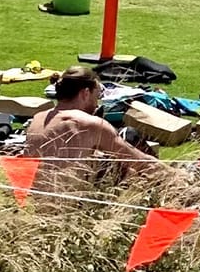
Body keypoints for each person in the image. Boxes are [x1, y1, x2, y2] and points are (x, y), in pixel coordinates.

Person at [16, 66, 160, 192]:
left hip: (35, 203)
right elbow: (140, 161)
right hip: (72, 206)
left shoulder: (38, 118)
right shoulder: (89, 123)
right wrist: (176, 176)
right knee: (129, 140)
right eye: (96, 96)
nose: (96, 105)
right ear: (85, 93)